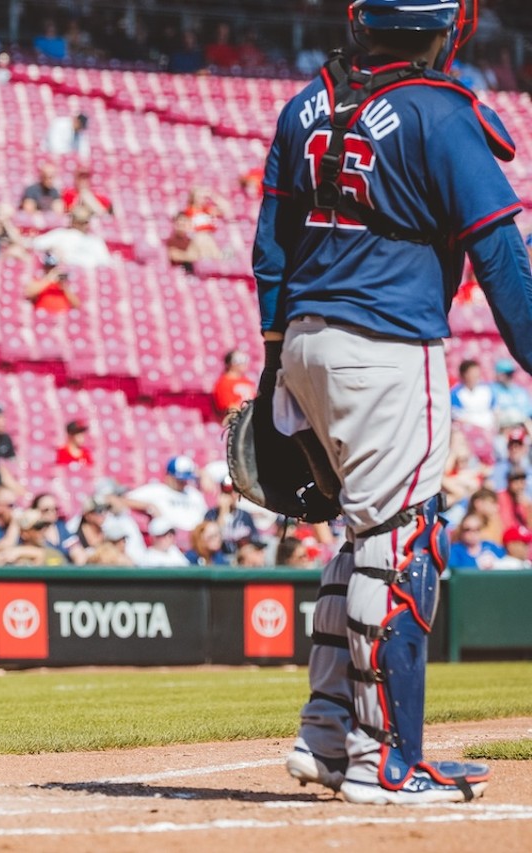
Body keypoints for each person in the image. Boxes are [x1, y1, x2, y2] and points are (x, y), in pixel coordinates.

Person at [256, 0, 528, 804]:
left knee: (364, 535)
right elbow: (501, 257)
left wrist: (276, 362)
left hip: (305, 335)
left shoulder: (305, 101)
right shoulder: (441, 113)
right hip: (387, 341)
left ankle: (327, 733)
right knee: (405, 542)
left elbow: (271, 243)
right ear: (448, 30)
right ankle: (385, 760)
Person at [212, 349, 256, 420]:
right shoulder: (224, 383)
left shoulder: (247, 381)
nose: (243, 364)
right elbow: (229, 407)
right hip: (238, 420)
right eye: (239, 360)